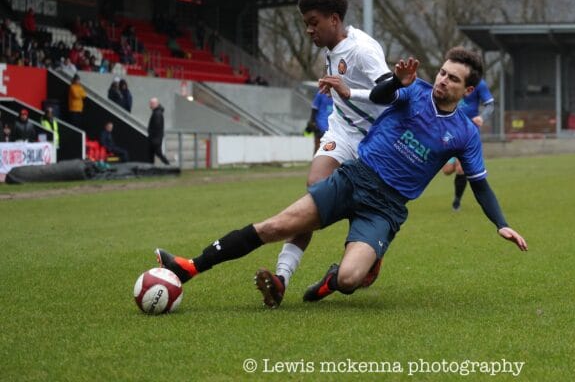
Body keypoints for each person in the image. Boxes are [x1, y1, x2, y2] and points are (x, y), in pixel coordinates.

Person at [155, 48, 528, 307]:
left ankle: (339, 275)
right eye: (443, 73)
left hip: (386, 208)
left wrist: (501, 224)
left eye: (453, 79)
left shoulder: (464, 132)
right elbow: (381, 96)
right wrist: (396, 81)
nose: (443, 81)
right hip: (353, 179)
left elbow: (479, 183)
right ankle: (190, 267)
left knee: (350, 281)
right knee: (275, 226)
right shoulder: (413, 91)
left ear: (468, 90)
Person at [252, 0, 392, 308]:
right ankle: (281, 279)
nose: (308, 30)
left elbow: (391, 91)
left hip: (373, 139)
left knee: (358, 203)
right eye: (305, 23)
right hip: (341, 133)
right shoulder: (331, 47)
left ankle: (368, 250)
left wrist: (348, 92)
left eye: (313, 22)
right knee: (316, 188)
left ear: (334, 19)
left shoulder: (364, 49)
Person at [442, 77, 494, 211]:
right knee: (447, 170)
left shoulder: (479, 84)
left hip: (468, 131)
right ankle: (453, 163)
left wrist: (482, 117)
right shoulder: (451, 79)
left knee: (461, 169)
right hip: (450, 130)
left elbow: (490, 104)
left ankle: (456, 202)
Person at [148, 97, 170, 165]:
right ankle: (151, 168)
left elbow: (157, 126)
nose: (150, 105)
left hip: (155, 138)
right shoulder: (157, 112)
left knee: (158, 153)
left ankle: (168, 165)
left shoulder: (157, 113)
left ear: (156, 104)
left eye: (151, 103)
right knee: (153, 153)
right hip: (156, 138)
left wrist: (153, 136)